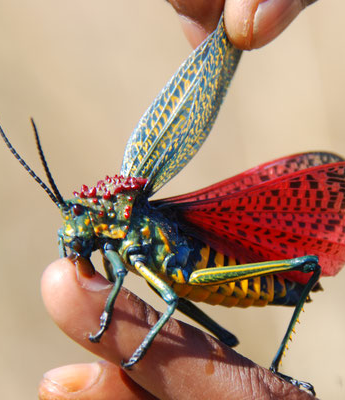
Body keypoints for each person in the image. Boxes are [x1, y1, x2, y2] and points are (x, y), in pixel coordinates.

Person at [39, 1, 318, 399]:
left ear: (100, 217)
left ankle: (276, 368)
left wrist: (124, 335)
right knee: (209, 327)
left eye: (78, 217)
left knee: (304, 267)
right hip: (185, 277)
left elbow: (167, 301)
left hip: (207, 273)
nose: (72, 229)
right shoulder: (117, 249)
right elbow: (121, 278)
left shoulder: (128, 223)